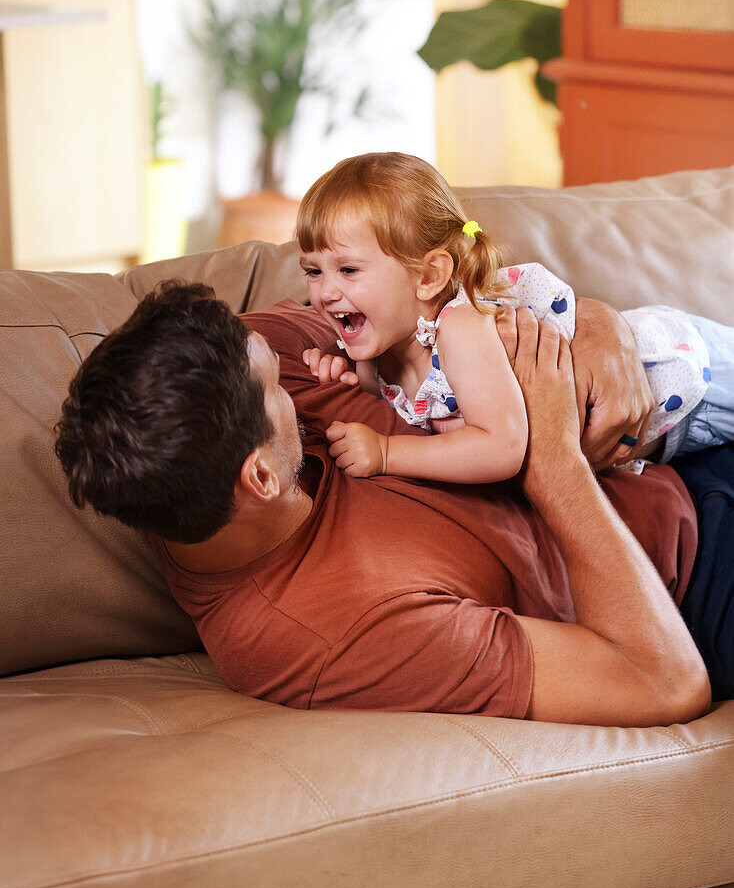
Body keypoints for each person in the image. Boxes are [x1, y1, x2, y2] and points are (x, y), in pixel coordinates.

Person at [54, 280, 718, 726]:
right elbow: (662, 680)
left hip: (667, 433)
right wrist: (553, 462)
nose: (288, 377)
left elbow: (438, 284)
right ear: (258, 478)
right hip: (695, 577)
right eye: (275, 392)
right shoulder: (326, 638)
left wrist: (601, 328)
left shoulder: (244, 365)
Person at [297, 152, 730, 482]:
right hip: (672, 438)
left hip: (686, 374)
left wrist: (387, 453)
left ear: (429, 277)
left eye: (348, 270)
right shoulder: (378, 354)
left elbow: (502, 447)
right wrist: (340, 375)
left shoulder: (460, 328)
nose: (326, 292)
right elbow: (375, 402)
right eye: (313, 272)